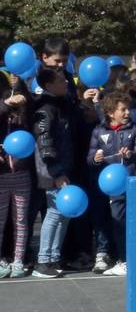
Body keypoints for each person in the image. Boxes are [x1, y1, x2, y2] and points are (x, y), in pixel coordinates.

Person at [86, 91, 136, 275]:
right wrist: (96, 158)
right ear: (111, 113)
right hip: (108, 185)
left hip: (130, 182)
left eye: (129, 109)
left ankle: (127, 259)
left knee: (127, 221)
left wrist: (131, 155)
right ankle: (115, 256)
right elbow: (89, 159)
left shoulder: (135, 129)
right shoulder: (99, 130)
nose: (128, 113)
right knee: (114, 221)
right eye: (123, 110)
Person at [31, 68, 76, 278]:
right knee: (55, 212)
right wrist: (56, 172)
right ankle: (43, 260)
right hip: (52, 171)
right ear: (48, 85)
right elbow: (44, 141)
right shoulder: (45, 108)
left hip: (63, 168)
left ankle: (54, 256)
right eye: (61, 80)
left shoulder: (62, 104)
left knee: (63, 213)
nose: (66, 82)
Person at [0, 71, 34, 278]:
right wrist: (5, 104)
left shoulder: (24, 111)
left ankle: (18, 260)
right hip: (1, 175)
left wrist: (22, 94)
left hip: (21, 173)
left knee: (20, 221)